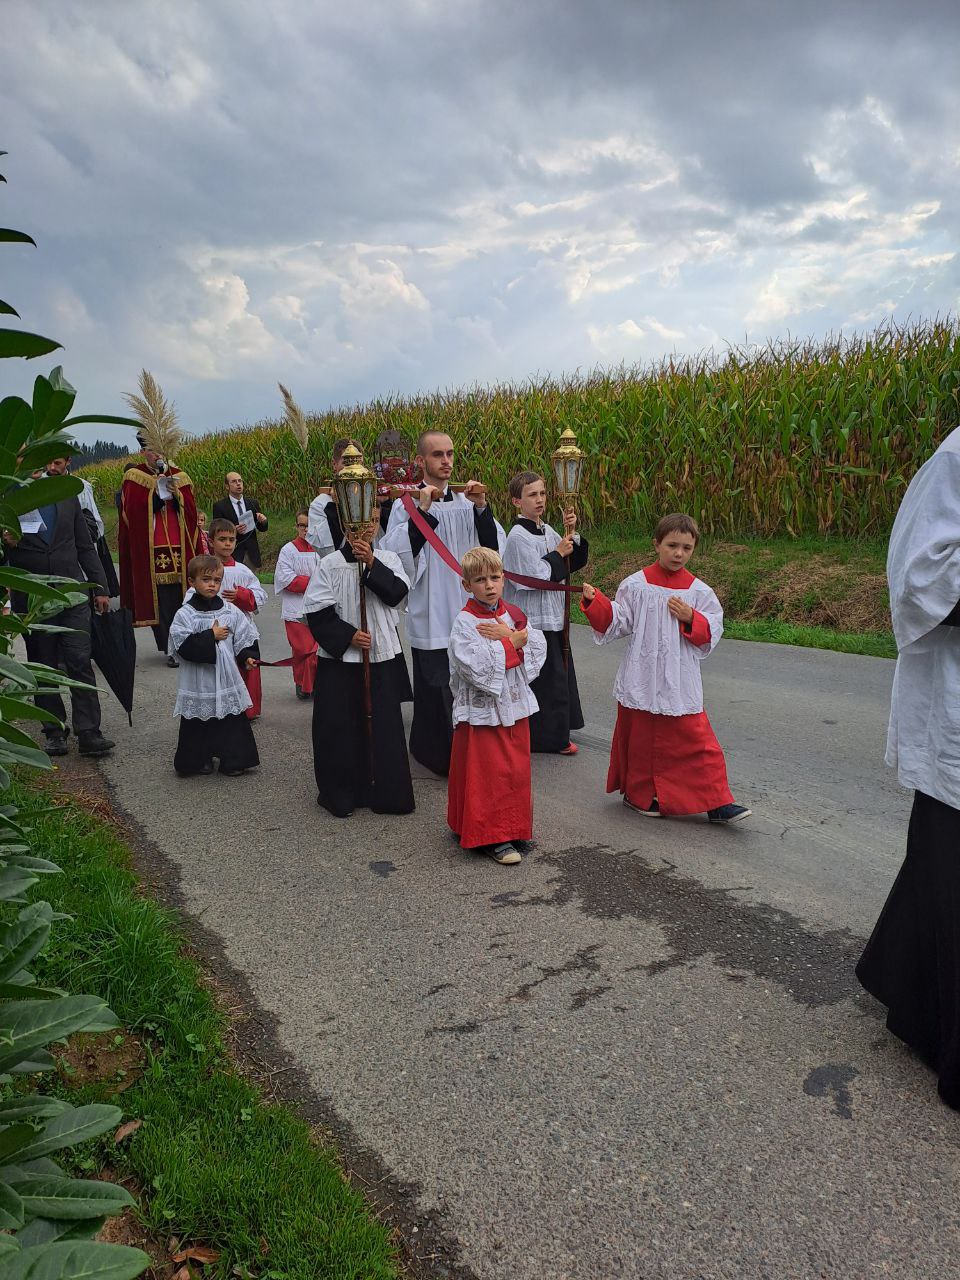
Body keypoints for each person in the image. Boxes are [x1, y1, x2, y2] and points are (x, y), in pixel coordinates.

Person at [856, 425, 960, 1109]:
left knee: (938, 867)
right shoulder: (957, 457)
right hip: (955, 698)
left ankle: (907, 986)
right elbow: (922, 577)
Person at [581, 513, 751, 823]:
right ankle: (639, 795)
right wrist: (596, 603)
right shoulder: (636, 585)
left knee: (698, 741)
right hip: (642, 675)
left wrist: (691, 617)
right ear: (656, 544)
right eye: (672, 545)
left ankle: (717, 801)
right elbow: (619, 621)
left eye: (687, 548)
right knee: (643, 741)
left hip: (679, 678)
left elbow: (713, 629)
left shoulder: (699, 592)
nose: (678, 554)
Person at [381, 430, 503, 775]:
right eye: (437, 455)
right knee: (436, 687)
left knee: (472, 681)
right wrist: (423, 511)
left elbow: (494, 551)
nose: (446, 461)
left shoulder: (468, 502)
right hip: (432, 606)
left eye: (450, 453)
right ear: (421, 461)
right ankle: (435, 753)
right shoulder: (406, 505)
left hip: (468, 607)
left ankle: (471, 753)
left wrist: (482, 509)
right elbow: (396, 556)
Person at [303, 508, 414, 818]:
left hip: (379, 657)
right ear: (346, 524)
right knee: (339, 726)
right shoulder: (329, 564)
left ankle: (386, 792)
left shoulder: (388, 559)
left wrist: (372, 563)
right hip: (341, 660)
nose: (368, 528)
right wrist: (348, 635)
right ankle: (341, 793)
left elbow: (396, 594)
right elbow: (316, 611)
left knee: (384, 725)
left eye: (373, 521)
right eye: (361, 522)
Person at [447, 547, 546, 865]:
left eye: (495, 577)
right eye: (480, 580)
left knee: (514, 770)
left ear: (504, 579)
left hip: (514, 707)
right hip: (484, 712)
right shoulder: (464, 622)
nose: (489, 585)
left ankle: (513, 827)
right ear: (467, 585)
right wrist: (512, 642)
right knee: (488, 773)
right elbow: (471, 665)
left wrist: (512, 636)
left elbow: (537, 644)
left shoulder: (512, 614)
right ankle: (491, 835)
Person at [3, 488, 115, 758]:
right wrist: (5, 542)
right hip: (34, 598)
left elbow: (84, 546)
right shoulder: (9, 498)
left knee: (80, 659)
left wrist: (100, 587)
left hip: (71, 592)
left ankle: (89, 732)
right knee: (43, 663)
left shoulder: (65, 495)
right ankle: (54, 730)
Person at [503, 470, 588, 755]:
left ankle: (560, 728)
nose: (539, 500)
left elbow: (569, 565)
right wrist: (559, 553)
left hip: (553, 614)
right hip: (533, 618)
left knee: (558, 675)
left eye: (542, 493)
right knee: (544, 681)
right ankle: (547, 738)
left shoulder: (547, 530)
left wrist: (572, 535)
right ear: (517, 501)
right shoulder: (517, 536)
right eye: (532, 495)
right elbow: (531, 578)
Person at [168, 555, 260, 777]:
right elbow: (182, 645)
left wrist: (247, 656)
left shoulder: (229, 610)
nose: (212, 585)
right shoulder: (186, 614)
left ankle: (233, 760)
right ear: (192, 581)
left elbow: (244, 636)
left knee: (231, 717)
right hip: (198, 678)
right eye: (206, 579)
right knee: (198, 719)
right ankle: (200, 759)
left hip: (226, 676)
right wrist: (211, 635)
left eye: (217, 580)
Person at [118, 434, 199, 665]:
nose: (157, 455)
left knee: (182, 598)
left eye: (161, 450)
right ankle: (170, 647)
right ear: (143, 452)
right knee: (162, 602)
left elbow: (191, 512)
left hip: (179, 546)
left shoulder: (180, 476)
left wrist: (177, 496)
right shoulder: (135, 477)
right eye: (152, 450)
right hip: (152, 547)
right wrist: (154, 498)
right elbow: (131, 513)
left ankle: (187, 642)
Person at [197, 519, 267, 718]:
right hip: (216, 629)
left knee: (247, 665)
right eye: (222, 539)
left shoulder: (242, 570)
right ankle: (222, 707)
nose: (227, 544)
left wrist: (241, 596)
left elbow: (260, 596)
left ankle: (249, 709)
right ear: (211, 541)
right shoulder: (203, 570)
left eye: (231, 539)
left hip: (242, 629)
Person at [46, 456, 119, 597]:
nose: (52, 468)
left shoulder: (81, 487)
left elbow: (93, 525)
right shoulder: (39, 486)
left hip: (74, 552)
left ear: (68, 461)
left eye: (57, 463)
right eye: (49, 463)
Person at [274, 511, 319, 700]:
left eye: (310, 525)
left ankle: (314, 685)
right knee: (303, 649)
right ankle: (302, 682)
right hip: (295, 609)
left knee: (317, 650)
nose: (306, 529)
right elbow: (286, 579)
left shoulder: (322, 549)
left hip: (319, 607)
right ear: (296, 527)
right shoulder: (288, 550)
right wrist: (315, 583)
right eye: (302, 525)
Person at [306, 438, 355, 558]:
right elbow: (325, 551)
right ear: (334, 464)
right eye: (346, 463)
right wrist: (338, 507)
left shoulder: (371, 498)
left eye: (358, 464)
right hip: (338, 566)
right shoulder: (321, 504)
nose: (352, 470)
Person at [212, 472, 268, 567]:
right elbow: (217, 530)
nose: (238, 484)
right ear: (227, 486)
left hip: (251, 553)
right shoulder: (220, 506)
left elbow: (262, 528)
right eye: (234, 481)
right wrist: (234, 530)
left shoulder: (252, 503)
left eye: (240, 481)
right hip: (232, 553)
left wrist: (263, 521)